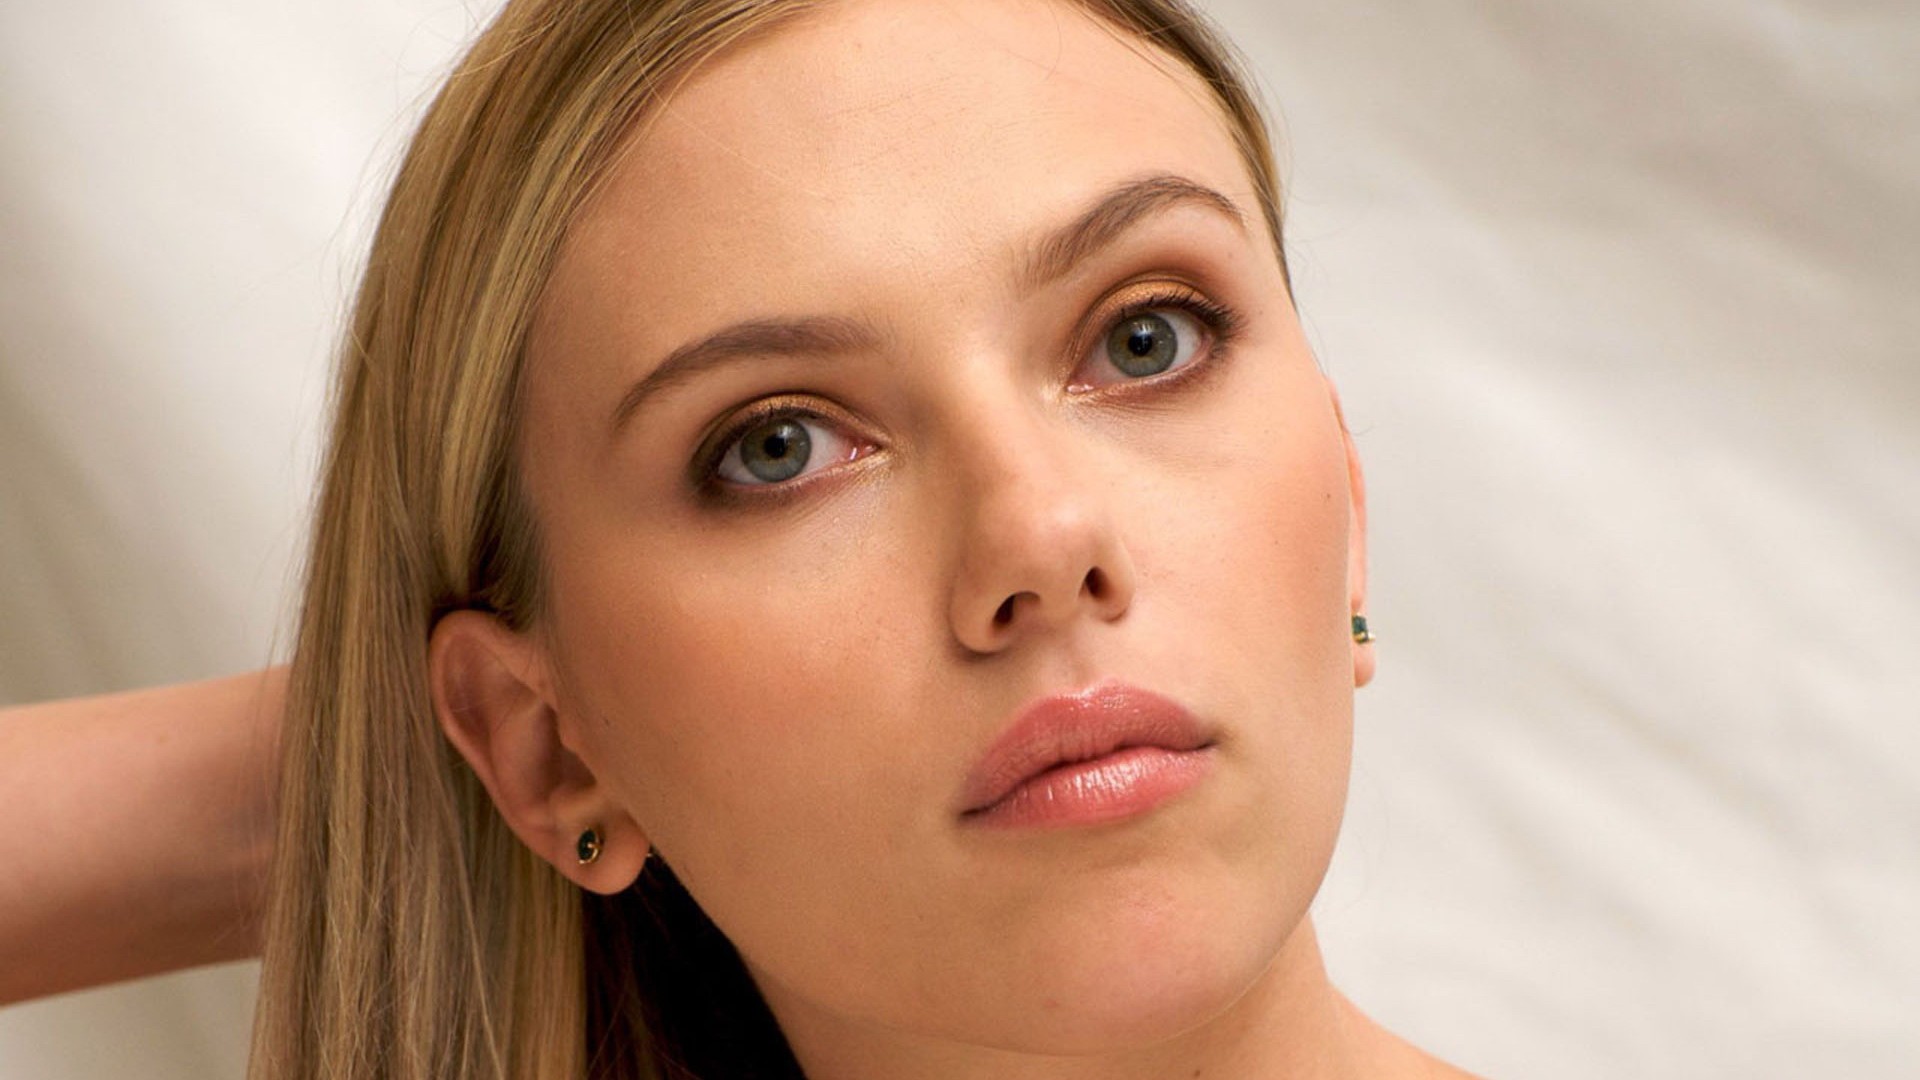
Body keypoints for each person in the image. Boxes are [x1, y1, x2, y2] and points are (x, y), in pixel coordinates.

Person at [3, 0, 1480, 1076]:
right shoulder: (544, 739)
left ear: (1345, 511)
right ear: (539, 739)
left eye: (1147, 339)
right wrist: (392, 794)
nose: (1040, 535)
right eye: (781, 448)